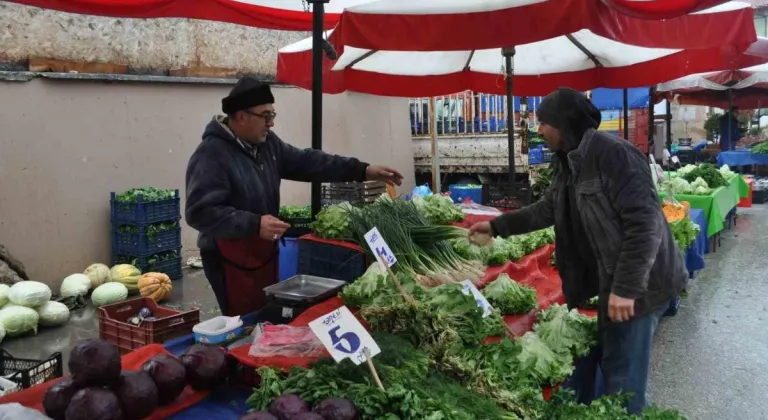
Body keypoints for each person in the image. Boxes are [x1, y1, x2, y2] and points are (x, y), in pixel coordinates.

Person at [469, 88, 687, 414]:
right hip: (613, 280)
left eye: (543, 123)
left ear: (565, 123)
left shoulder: (615, 154)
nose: (538, 130)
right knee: (616, 364)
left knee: (624, 386)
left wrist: (626, 289)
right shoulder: (568, 161)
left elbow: (645, 226)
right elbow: (548, 209)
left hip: (643, 284)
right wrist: (497, 227)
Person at [185, 77, 403, 317]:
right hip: (228, 259)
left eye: (273, 116)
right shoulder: (211, 155)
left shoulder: (268, 145)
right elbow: (199, 212)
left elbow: (309, 162)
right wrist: (254, 223)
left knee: (265, 315)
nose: (271, 124)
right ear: (241, 116)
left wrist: (362, 170)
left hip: (262, 252)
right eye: (265, 116)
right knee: (243, 322)